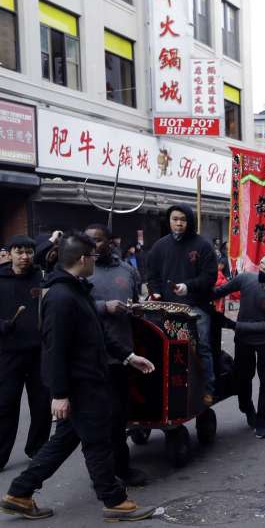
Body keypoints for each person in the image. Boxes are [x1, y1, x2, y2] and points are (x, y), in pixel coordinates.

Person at [1, 232, 156, 522]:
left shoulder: (76, 290)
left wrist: (129, 356)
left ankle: (19, 493)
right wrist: (59, 393)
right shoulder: (61, 296)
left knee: (63, 442)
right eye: (93, 256)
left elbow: (98, 334)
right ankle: (114, 500)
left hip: (88, 380)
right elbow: (55, 348)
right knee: (97, 442)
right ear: (83, 258)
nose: (95, 261)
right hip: (81, 384)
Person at [84, 224, 148, 487]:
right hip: (92, 354)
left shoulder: (127, 270)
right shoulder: (83, 270)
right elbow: (72, 305)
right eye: (88, 242)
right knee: (100, 419)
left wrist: (137, 309)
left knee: (120, 415)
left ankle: (120, 468)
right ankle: (104, 473)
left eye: (97, 241)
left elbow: (136, 300)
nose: (93, 246)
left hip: (122, 353)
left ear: (110, 242)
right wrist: (102, 307)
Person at [146, 204, 217, 405]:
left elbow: (210, 277)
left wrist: (188, 287)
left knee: (201, 347)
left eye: (183, 220)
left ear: (190, 221)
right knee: (164, 348)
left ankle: (207, 388)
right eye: (175, 219)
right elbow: (152, 275)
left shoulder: (202, 245)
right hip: (167, 307)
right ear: (169, 220)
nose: (178, 223)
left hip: (196, 306)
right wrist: (155, 291)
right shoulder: (159, 246)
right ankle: (167, 389)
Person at [212, 254, 265, 438]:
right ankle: (247, 409)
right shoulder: (246, 278)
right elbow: (219, 291)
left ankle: (262, 421)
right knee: (243, 377)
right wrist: (191, 289)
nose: (261, 271)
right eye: (261, 267)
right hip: (244, 341)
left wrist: (234, 325)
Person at [0, 236, 50, 471]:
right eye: (19, 252)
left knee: (41, 404)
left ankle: (37, 448)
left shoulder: (42, 278)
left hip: (39, 352)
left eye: (29, 252)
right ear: (9, 254)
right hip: (8, 353)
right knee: (5, 404)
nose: (24, 256)